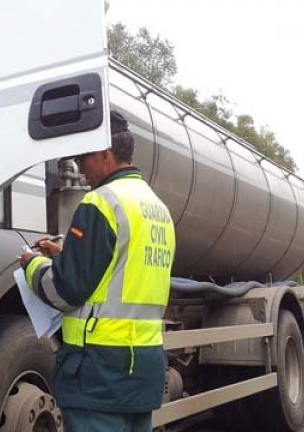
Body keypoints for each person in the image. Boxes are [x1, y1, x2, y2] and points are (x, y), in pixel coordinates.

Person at [20, 111, 176, 431]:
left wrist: (31, 263)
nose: (79, 168)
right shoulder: (157, 209)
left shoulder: (101, 202)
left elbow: (66, 290)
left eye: (83, 158)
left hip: (99, 373)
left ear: (106, 154)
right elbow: (121, 269)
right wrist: (70, 254)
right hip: (142, 368)